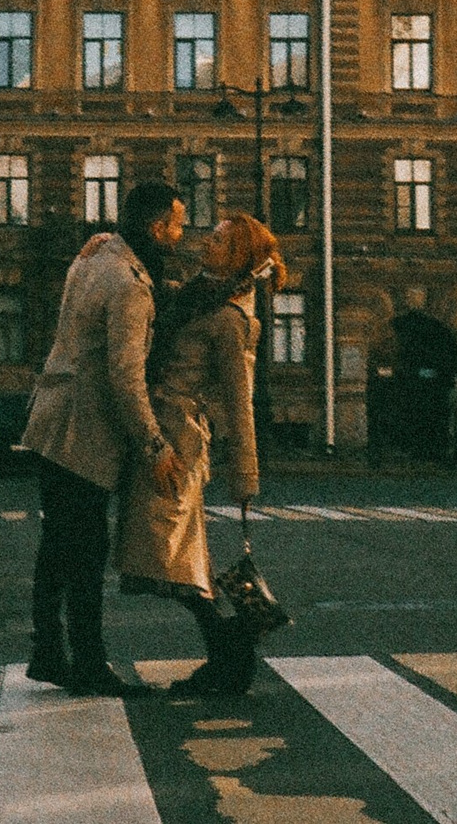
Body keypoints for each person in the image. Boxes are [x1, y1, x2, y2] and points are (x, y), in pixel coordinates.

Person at [18, 180, 186, 696]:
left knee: (57, 548)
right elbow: (125, 376)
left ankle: (48, 651)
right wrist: (155, 446)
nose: (182, 235)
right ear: (157, 229)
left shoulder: (90, 259)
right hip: (85, 432)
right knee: (86, 552)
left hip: (51, 419)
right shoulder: (130, 283)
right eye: (178, 225)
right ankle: (88, 662)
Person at [115, 212, 281, 698]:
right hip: (161, 431)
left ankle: (230, 652)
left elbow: (239, 400)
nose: (205, 240)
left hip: (180, 441)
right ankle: (227, 652)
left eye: (218, 238)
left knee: (172, 555)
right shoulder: (200, 295)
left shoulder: (231, 318)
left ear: (237, 254)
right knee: (170, 556)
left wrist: (245, 477)